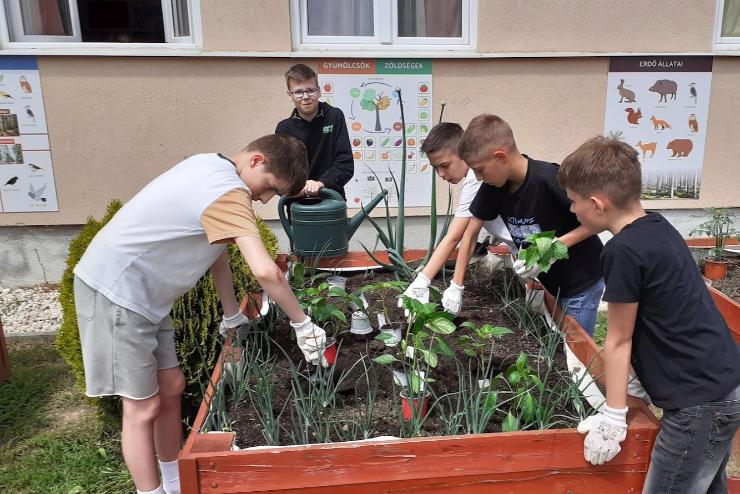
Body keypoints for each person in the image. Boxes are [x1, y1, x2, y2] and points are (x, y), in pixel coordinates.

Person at [73, 134, 328, 494]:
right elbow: (265, 272)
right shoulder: (228, 191)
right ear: (256, 160)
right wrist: (302, 323)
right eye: (271, 187)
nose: (265, 199)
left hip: (148, 295)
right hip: (117, 292)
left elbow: (215, 251)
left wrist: (231, 314)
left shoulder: (209, 166)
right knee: (141, 408)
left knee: (172, 387)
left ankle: (174, 482)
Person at [558, 135, 740, 492]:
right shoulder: (657, 226)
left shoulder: (622, 251)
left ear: (596, 204)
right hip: (721, 386)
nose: (572, 210)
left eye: (573, 201)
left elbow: (618, 339)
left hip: (699, 404)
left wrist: (613, 417)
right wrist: (638, 382)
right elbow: (663, 314)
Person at [457, 114, 605, 336]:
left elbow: (598, 221)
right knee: (561, 340)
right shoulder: (494, 187)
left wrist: (553, 248)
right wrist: (456, 285)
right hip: (553, 283)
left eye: (479, 169)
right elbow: (470, 235)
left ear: (500, 157)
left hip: (581, 281)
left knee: (577, 347)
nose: (477, 178)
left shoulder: (549, 179)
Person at [398, 122, 511, 315]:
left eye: (445, 165)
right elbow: (469, 234)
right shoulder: (475, 179)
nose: (441, 174)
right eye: (435, 168)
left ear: (465, 154)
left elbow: (454, 236)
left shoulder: (475, 180)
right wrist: (454, 284)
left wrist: (422, 281)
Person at [275, 63, 353, 198]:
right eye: (298, 92)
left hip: (331, 199)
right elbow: (281, 171)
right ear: (290, 95)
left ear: (319, 91)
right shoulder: (284, 128)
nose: (305, 96)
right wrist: (298, 186)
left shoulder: (334, 117)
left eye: (310, 90)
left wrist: (321, 183)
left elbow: (345, 164)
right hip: (297, 202)